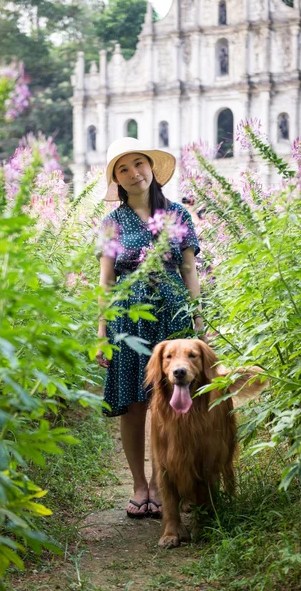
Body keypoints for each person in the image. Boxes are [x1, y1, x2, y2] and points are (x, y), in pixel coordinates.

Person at [96, 137, 204, 519]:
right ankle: (139, 485)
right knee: (133, 404)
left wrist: (198, 323)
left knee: (169, 404)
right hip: (128, 317)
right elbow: (106, 281)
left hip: (173, 315)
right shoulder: (111, 222)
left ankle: (160, 485)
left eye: (138, 163)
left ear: (151, 168)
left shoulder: (178, 215)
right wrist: (102, 333)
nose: (133, 173)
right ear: (118, 180)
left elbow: (190, 270)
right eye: (122, 169)